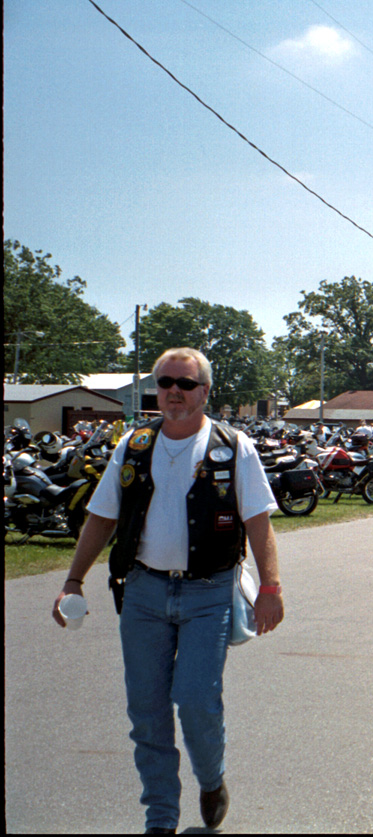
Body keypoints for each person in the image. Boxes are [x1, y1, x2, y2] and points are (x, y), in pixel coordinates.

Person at [51, 348, 283, 834]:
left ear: (205, 391)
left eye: (186, 383)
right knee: (147, 711)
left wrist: (270, 587)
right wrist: (73, 579)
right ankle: (161, 817)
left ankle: (211, 778)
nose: (174, 391)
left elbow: (258, 522)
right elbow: (102, 517)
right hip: (143, 593)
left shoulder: (232, 445)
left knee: (198, 699)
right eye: (165, 381)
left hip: (210, 592)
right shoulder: (133, 445)